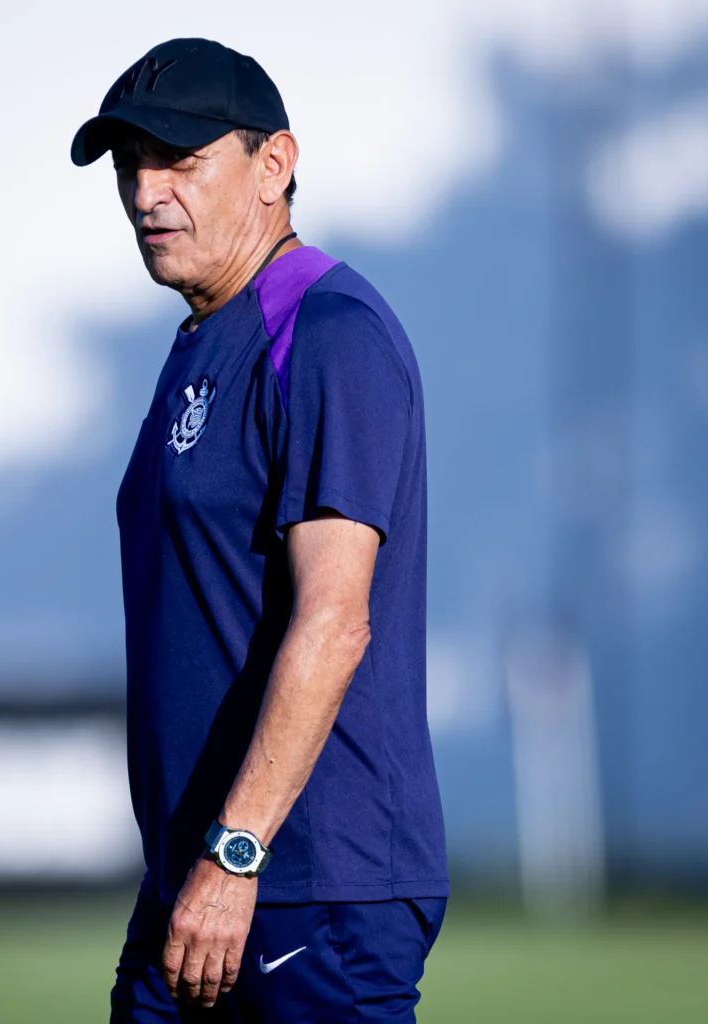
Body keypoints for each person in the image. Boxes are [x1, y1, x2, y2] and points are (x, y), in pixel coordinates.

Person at [71, 36, 449, 1023]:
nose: (147, 192)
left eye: (180, 161)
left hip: (305, 886)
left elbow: (335, 620)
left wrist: (236, 854)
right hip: (196, 879)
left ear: (273, 164)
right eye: (130, 166)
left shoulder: (327, 333)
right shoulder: (204, 336)